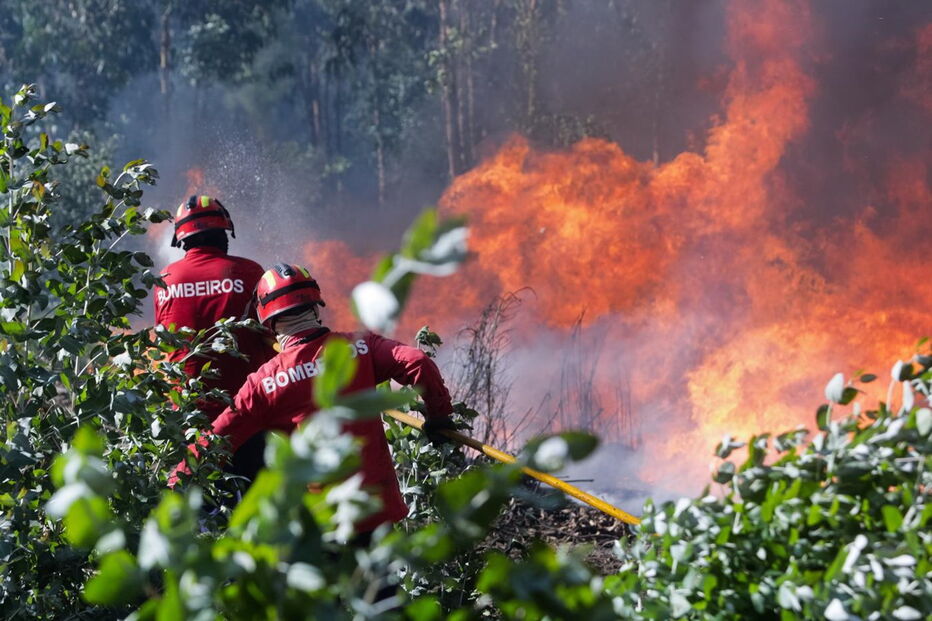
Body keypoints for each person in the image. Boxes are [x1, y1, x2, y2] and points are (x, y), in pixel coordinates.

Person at [172, 263, 457, 534]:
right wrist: (438, 416)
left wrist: (175, 480)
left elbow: (217, 438)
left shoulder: (264, 383)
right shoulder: (361, 346)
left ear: (268, 320)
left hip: (321, 522)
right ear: (315, 306)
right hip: (374, 511)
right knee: (381, 585)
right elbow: (417, 360)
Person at [154, 194, 276, 483]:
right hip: (243, 412)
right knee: (249, 499)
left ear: (181, 241)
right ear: (224, 232)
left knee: (198, 505)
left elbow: (165, 341)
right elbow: (270, 337)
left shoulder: (165, 280)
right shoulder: (248, 272)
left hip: (186, 415)